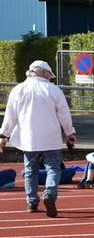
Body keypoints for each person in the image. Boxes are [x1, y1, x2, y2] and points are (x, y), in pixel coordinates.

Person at [0, 60, 77, 217]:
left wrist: (4, 135)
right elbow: (63, 113)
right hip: (51, 137)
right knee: (53, 168)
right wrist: (69, 132)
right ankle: (49, 193)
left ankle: (32, 202)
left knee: (30, 171)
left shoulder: (18, 90)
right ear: (43, 72)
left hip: (28, 139)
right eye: (49, 74)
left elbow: (10, 115)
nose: (50, 77)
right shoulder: (53, 89)